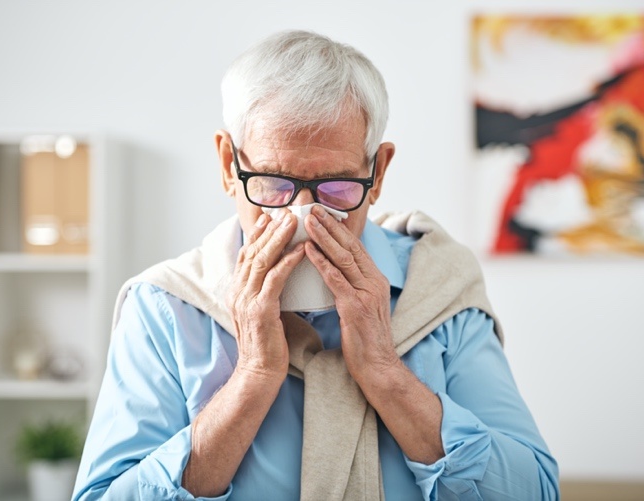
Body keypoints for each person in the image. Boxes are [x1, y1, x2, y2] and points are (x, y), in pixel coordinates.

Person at [72, 30, 559, 500]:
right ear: (228, 166)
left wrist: (386, 373)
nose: (302, 215)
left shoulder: (439, 287)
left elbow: (535, 491)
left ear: (378, 172)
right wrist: (253, 377)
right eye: (272, 182)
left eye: (337, 186)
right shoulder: (165, 307)